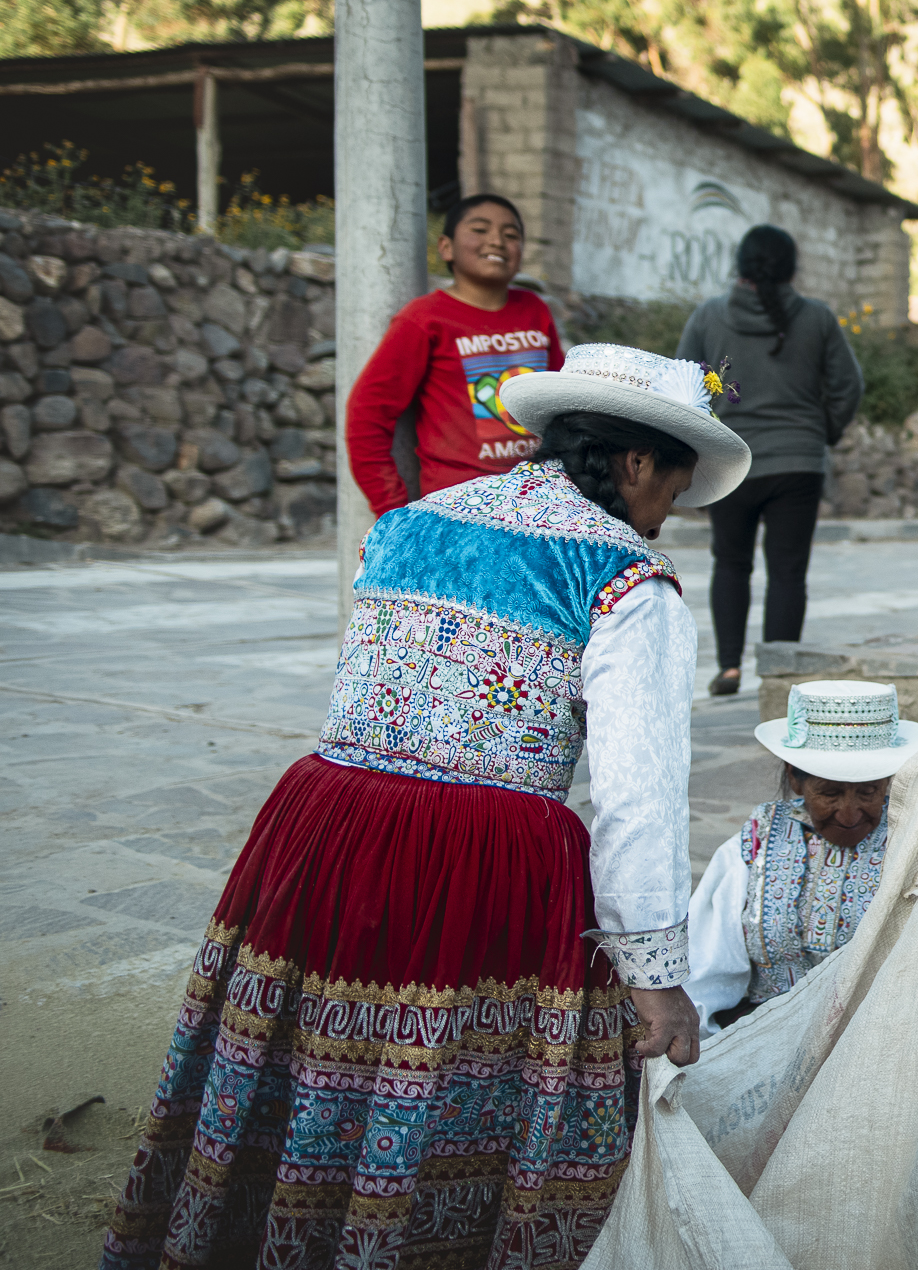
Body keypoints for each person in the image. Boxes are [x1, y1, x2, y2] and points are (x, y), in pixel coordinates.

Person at [101, 344, 750, 1270]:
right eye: (671, 495)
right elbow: (637, 796)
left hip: (327, 830)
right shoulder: (623, 579)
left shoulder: (406, 523)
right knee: (444, 1086)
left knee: (316, 1059)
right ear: (640, 464)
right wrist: (654, 972)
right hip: (476, 863)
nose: (665, 520)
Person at [676, 225, 864, 697]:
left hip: (730, 461)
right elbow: (848, 386)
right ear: (792, 267)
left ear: (740, 265)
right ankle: (779, 676)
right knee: (787, 571)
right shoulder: (817, 318)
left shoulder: (708, 318)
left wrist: (713, 425)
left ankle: (730, 668)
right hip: (797, 463)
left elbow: (686, 388)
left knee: (731, 562)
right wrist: (822, 431)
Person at [683, 680, 918, 1033]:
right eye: (829, 793)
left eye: (868, 792)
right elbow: (708, 971)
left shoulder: (913, 842)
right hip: (766, 1037)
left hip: (878, 1040)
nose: (849, 814)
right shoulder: (757, 843)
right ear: (796, 780)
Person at [345, 193, 565, 516]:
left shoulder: (535, 311)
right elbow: (367, 415)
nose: (497, 241)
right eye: (480, 229)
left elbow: (560, 406)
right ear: (446, 247)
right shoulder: (424, 319)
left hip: (540, 507)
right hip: (459, 514)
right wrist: (393, 511)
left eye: (511, 234)